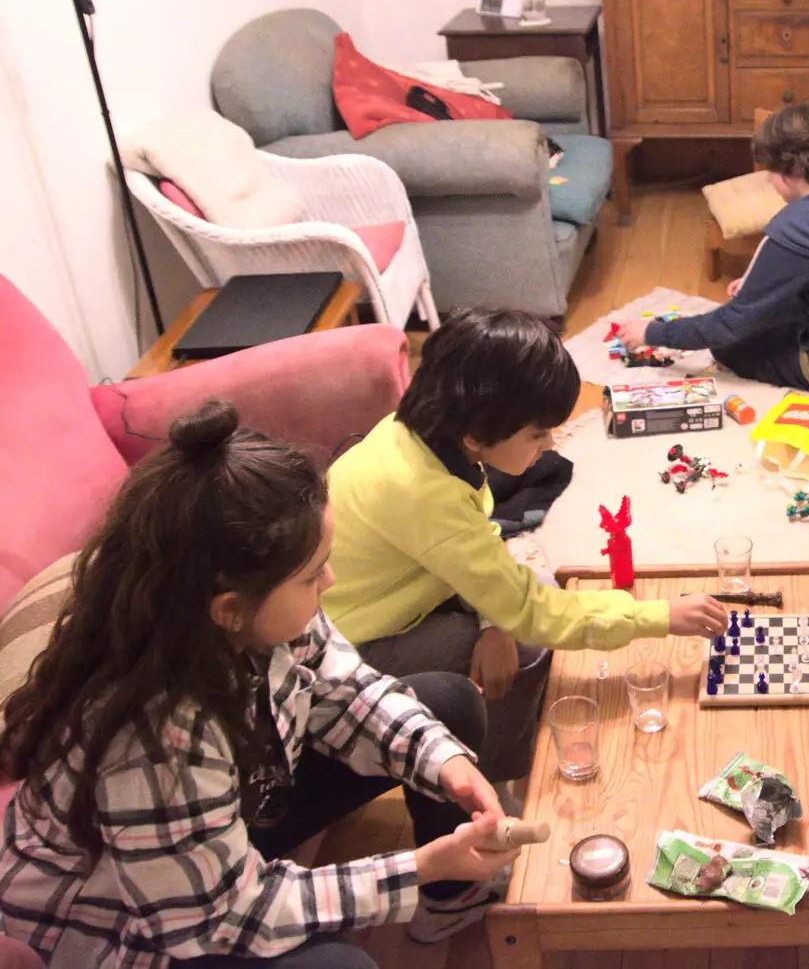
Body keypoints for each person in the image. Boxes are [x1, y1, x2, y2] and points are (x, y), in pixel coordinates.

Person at [0, 403, 518, 967]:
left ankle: (450, 902)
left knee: (444, 709)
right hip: (131, 922)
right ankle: (440, 885)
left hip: (219, 824)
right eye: (312, 574)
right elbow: (220, 916)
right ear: (229, 609)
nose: (331, 579)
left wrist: (442, 761)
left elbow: (348, 689)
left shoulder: (253, 607)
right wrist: (419, 868)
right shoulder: (155, 737)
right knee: (341, 965)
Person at [322, 308, 728, 791]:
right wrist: (660, 616)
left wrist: (492, 619)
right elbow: (534, 612)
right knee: (529, 652)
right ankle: (487, 786)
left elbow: (477, 543)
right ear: (475, 435)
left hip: (402, 592)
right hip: (349, 646)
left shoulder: (417, 431)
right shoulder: (424, 494)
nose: (550, 443)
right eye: (537, 434)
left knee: (509, 632)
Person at [615, 99, 809, 398]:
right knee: (778, 305)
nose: (769, 182)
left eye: (769, 173)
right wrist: (762, 284)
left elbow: (729, 327)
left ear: (792, 171)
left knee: (729, 347)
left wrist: (653, 333)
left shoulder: (795, 230)